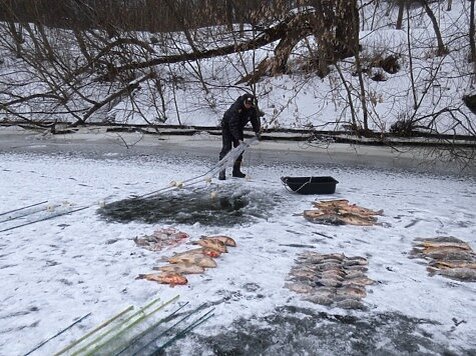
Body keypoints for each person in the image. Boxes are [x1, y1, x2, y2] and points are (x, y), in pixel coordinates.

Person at [218, 93, 262, 180]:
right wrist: (238, 139)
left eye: (250, 104)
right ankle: (222, 172)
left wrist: (257, 131)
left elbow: (254, 120)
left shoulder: (251, 109)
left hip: (238, 128)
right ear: (243, 102)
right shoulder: (236, 108)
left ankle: (236, 171)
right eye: (247, 104)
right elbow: (232, 125)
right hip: (228, 127)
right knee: (227, 149)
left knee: (240, 149)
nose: (248, 106)